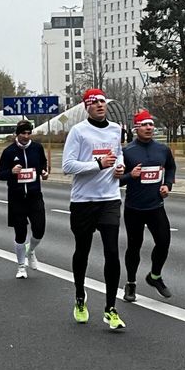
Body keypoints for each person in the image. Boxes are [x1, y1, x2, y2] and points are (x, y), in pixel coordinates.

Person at [62, 88, 126, 330]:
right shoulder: (78, 132)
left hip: (109, 198)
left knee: (112, 252)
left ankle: (110, 308)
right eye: (95, 102)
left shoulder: (115, 129)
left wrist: (119, 168)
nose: (100, 105)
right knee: (83, 251)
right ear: (87, 107)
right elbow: (67, 166)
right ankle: (80, 295)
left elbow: (118, 156)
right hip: (83, 201)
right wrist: (97, 164)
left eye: (102, 101)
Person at [119, 110, 176, 301]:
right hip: (134, 208)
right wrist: (130, 176)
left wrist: (167, 185)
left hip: (156, 206)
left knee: (164, 242)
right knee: (134, 247)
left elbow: (170, 167)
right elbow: (116, 180)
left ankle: (155, 276)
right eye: (144, 124)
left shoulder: (162, 149)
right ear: (136, 128)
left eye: (151, 124)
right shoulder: (127, 152)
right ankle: (131, 283)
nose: (149, 127)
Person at [0, 120, 49, 278]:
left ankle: (30, 250)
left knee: (39, 229)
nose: (26, 136)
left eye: (28, 133)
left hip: (34, 195)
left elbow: (43, 166)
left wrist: (44, 173)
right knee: (20, 233)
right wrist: (11, 171)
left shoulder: (37, 148)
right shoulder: (9, 152)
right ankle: (21, 267)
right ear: (17, 134)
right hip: (16, 197)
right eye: (23, 133)